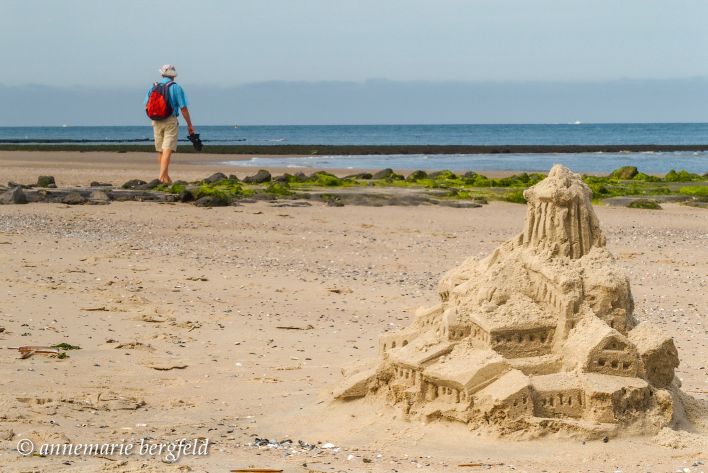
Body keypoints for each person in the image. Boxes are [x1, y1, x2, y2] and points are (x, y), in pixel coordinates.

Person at [144, 64, 195, 184]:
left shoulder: (154, 87)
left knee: (161, 150)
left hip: (155, 120)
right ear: (173, 76)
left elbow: (147, 104)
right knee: (167, 150)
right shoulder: (176, 87)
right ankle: (161, 178)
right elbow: (183, 108)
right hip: (170, 120)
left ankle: (166, 178)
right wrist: (189, 125)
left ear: (162, 74)